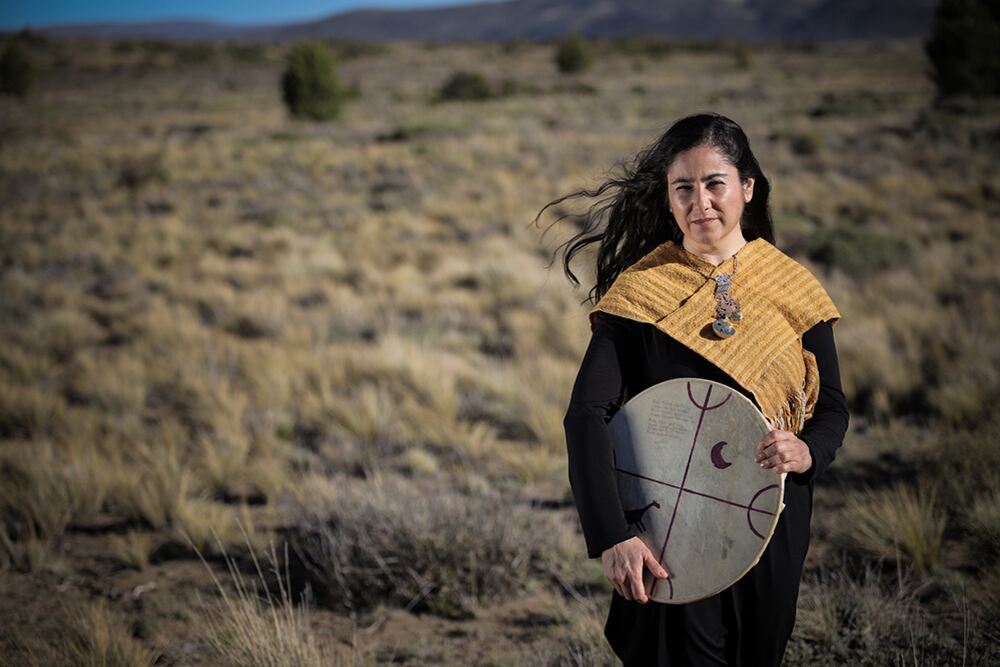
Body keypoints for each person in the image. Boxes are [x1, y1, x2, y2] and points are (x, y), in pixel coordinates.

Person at [538, 112, 849, 666]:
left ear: (747, 188)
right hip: (667, 519)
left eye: (714, 184)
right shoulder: (640, 293)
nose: (700, 201)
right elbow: (586, 415)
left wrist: (809, 451)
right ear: (667, 197)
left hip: (772, 516)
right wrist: (613, 534)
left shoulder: (791, 287)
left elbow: (830, 408)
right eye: (683, 187)